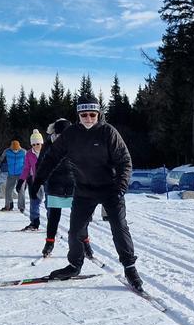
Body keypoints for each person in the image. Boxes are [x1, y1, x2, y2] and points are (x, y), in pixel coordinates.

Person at [33, 99, 143, 291]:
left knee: (119, 227)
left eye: (93, 114)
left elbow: (124, 161)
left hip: (110, 189)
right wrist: (38, 180)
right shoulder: (71, 134)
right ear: (78, 116)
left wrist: (120, 188)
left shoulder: (108, 132)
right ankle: (74, 265)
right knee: (75, 231)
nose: (89, 118)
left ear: (98, 114)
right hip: (84, 190)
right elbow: (51, 157)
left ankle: (129, 267)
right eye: (84, 115)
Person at [36, 118, 93, 260]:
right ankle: (49, 244)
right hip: (55, 184)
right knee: (54, 216)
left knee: (80, 217)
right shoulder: (49, 145)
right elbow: (40, 164)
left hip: (74, 185)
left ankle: (85, 243)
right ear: (55, 133)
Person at [20, 129, 44, 230]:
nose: (36, 146)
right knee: (34, 200)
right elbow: (26, 168)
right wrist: (21, 180)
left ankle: (52, 224)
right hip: (35, 180)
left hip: (49, 180)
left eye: (38, 144)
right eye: (33, 144)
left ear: (41, 143)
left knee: (50, 203)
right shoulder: (29, 154)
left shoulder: (48, 151)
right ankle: (34, 222)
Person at [0, 140, 26, 211]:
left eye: (16, 149)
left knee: (21, 190)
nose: (15, 151)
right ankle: (9, 205)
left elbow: (27, 163)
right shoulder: (7, 151)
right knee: (8, 190)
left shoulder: (23, 152)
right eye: (13, 149)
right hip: (11, 174)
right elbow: (0, 160)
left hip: (21, 174)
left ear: (19, 147)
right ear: (11, 147)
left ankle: (21, 207)